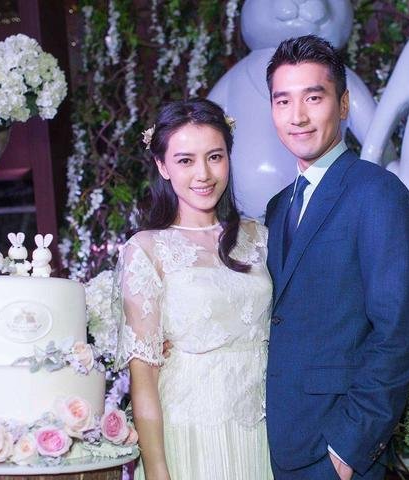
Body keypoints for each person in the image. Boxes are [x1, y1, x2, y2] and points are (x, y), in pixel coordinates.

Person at [264, 35, 409, 480]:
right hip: (275, 439)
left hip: (336, 448)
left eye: (313, 98)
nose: (297, 116)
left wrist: (349, 447)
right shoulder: (278, 206)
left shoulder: (377, 192)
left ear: (344, 104)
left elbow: (400, 332)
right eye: (283, 101)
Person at [114, 98, 273, 480]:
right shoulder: (146, 249)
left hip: (263, 427)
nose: (203, 174)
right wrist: (157, 469)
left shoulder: (259, 237)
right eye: (185, 160)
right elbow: (143, 375)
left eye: (214, 157)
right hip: (190, 432)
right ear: (162, 166)